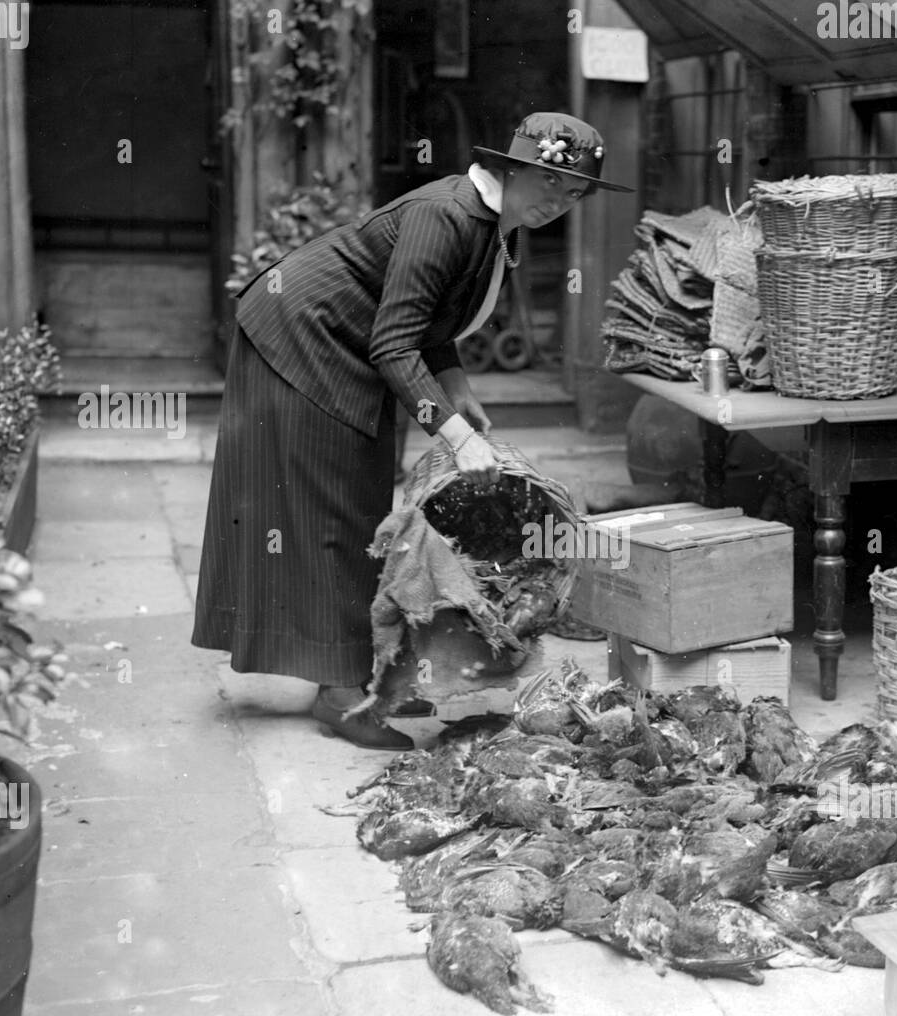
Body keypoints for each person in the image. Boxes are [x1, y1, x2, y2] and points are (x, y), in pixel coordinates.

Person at [192, 112, 633, 750]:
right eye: (548, 182)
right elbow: (395, 344)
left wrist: (456, 388)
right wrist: (458, 436)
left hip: (344, 341)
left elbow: (431, 323)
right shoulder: (448, 215)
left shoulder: (496, 228)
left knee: (357, 499)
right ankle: (342, 695)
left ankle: (344, 673)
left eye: (572, 193)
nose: (557, 203)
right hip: (300, 334)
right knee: (336, 507)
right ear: (510, 168)